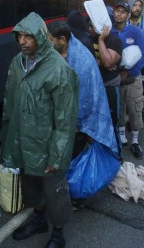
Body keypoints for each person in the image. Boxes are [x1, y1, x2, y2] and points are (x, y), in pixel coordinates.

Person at [1, 12, 78, 248]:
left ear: (42, 38)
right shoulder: (17, 62)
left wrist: (57, 156)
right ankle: (38, 219)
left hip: (47, 147)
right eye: (19, 36)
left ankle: (58, 234)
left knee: (55, 192)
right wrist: (10, 142)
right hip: (24, 142)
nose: (22, 41)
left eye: (28, 37)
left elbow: (65, 120)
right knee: (30, 187)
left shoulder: (59, 70)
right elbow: (10, 104)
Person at [46, 21, 119, 210]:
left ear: (62, 40)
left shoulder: (80, 62)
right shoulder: (62, 53)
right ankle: (69, 193)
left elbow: (83, 99)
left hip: (82, 122)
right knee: (68, 159)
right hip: (67, 121)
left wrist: (80, 126)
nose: (48, 43)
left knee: (76, 159)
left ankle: (77, 198)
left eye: (50, 40)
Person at [112, 2, 144, 159]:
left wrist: (129, 71)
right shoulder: (109, 32)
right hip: (116, 80)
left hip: (133, 79)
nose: (119, 14)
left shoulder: (135, 31)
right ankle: (121, 137)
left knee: (135, 109)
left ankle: (135, 141)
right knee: (119, 109)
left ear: (128, 15)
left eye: (123, 12)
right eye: (117, 11)